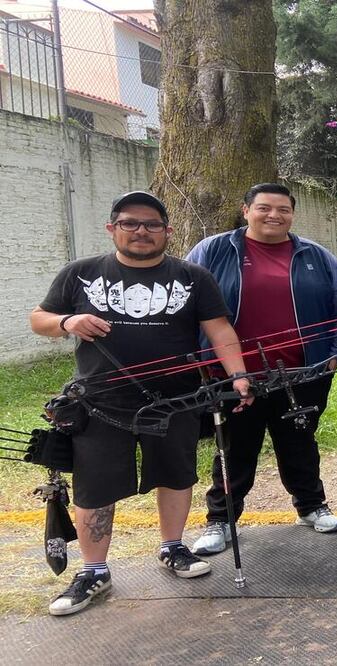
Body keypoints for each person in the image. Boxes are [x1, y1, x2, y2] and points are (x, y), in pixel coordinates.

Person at [30, 191, 252, 616]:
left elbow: (220, 331)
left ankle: (173, 547)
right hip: (99, 399)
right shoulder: (80, 273)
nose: (141, 231)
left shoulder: (193, 277)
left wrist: (238, 375)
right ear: (112, 228)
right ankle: (94, 570)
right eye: (130, 223)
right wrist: (66, 321)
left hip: (176, 397)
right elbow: (39, 319)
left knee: (176, 474)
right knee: (94, 486)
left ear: (167, 232)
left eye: (151, 224)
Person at [186, 183, 337, 555]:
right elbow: (187, 302)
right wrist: (198, 358)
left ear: (292, 214)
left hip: (304, 371)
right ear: (245, 210)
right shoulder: (213, 250)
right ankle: (220, 521)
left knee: (300, 440)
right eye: (264, 208)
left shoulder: (316, 255)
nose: (274, 215)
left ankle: (311, 506)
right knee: (234, 447)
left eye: (283, 209)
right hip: (231, 374)